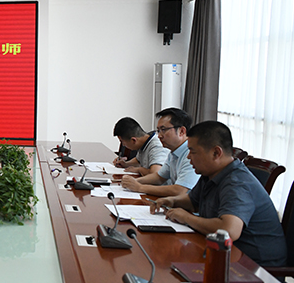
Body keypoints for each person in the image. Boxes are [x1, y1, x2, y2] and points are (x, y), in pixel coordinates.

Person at [151, 121, 287, 267]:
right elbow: (193, 201)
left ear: (216, 153)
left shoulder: (237, 182)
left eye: (193, 151)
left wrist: (186, 217)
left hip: (255, 267)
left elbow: (229, 230)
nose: (189, 157)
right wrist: (172, 201)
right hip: (224, 254)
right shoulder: (210, 173)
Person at [122, 108, 199, 197]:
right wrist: (134, 181)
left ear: (181, 131)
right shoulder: (173, 152)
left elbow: (180, 191)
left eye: (163, 129)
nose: (159, 136)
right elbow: (159, 177)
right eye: (158, 131)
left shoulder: (192, 154)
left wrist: (140, 187)